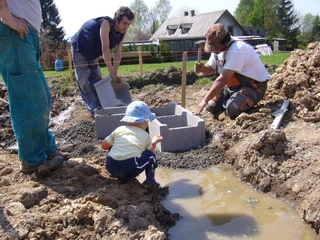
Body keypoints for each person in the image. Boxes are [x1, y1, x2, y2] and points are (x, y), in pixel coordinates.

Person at [0, 0, 69, 174]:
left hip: (26, 34)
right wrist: (6, 15)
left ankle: (45, 149)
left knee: (41, 97)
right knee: (28, 98)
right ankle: (31, 159)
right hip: (14, 30)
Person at [194, 23, 270, 119]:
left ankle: (240, 103)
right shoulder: (218, 50)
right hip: (232, 87)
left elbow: (222, 79)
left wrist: (203, 101)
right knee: (211, 106)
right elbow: (211, 69)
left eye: (215, 48)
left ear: (224, 43)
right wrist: (203, 69)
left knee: (232, 110)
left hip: (253, 86)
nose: (214, 51)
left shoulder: (237, 49)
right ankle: (230, 101)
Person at [71, 6, 134, 115]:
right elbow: (105, 50)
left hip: (93, 52)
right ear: (116, 20)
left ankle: (101, 104)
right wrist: (111, 74)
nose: (126, 27)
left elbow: (118, 53)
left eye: (129, 24)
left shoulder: (123, 32)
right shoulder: (106, 24)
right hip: (80, 47)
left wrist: (114, 74)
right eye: (124, 23)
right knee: (83, 81)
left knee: (97, 79)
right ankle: (94, 109)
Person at [101, 101, 163, 189]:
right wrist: (154, 142)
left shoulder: (119, 130)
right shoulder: (145, 135)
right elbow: (149, 151)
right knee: (151, 156)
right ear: (144, 122)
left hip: (111, 167)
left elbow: (104, 146)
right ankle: (150, 181)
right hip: (129, 169)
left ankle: (112, 174)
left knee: (112, 144)